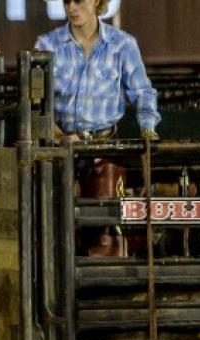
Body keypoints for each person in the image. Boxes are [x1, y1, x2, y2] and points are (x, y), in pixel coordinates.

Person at [37, 0, 159, 256]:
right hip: (61, 147)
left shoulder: (122, 45)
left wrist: (147, 125)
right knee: (56, 221)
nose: (71, 7)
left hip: (104, 146)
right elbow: (34, 101)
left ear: (97, 2)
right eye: (66, 1)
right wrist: (57, 134)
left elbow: (142, 91)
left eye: (78, 0)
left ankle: (105, 266)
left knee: (105, 220)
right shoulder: (46, 46)